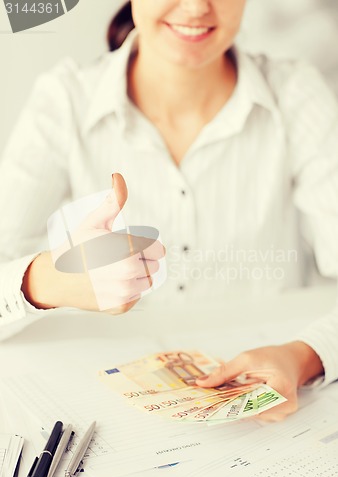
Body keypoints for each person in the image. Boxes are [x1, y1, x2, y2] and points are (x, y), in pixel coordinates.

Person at [0, 0, 337, 422]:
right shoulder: (64, 100)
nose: (197, 7)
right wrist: (50, 280)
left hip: (272, 419)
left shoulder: (296, 94)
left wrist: (305, 356)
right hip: (104, 415)